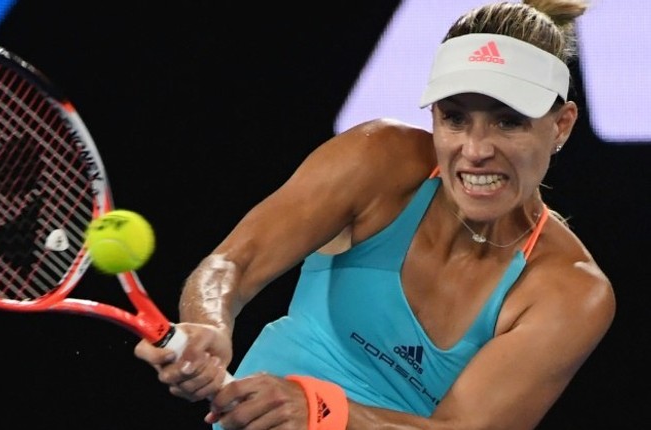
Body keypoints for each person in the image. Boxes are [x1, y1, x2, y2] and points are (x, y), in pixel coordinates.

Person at [135, 0, 616, 428]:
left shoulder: (570, 292)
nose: (475, 150)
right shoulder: (378, 159)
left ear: (561, 126)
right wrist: (209, 324)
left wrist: (322, 411)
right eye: (454, 118)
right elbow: (229, 266)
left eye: (508, 121)